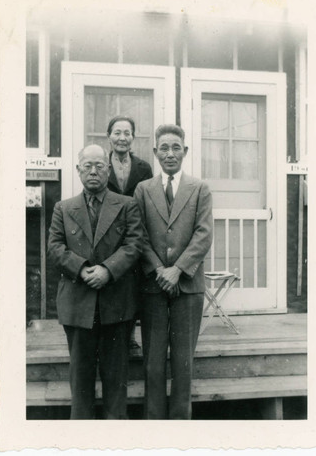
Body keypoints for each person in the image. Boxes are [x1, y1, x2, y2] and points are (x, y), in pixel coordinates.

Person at [47, 144, 143, 419]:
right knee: (80, 380)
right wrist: (83, 269)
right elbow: (55, 247)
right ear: (78, 171)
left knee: (116, 380)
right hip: (78, 304)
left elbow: (134, 245)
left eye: (99, 166)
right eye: (87, 166)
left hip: (116, 304)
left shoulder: (127, 205)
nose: (93, 171)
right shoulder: (63, 209)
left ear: (108, 170)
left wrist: (108, 271)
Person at [134, 124, 213, 419]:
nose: (170, 154)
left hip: (188, 286)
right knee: (153, 360)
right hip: (154, 286)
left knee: (183, 361)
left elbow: (203, 235)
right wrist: (159, 270)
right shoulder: (143, 190)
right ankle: (154, 422)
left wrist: (177, 270)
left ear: (185, 152)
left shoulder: (200, 189)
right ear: (155, 153)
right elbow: (138, 236)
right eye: (164, 148)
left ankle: (180, 423)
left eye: (175, 148)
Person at [106, 115, 153, 349]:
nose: (122, 138)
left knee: (133, 285)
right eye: (117, 133)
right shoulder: (101, 166)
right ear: (109, 136)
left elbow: (149, 201)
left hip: (135, 232)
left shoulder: (144, 168)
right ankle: (110, 337)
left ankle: (131, 337)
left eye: (127, 133)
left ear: (133, 137)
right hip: (107, 234)